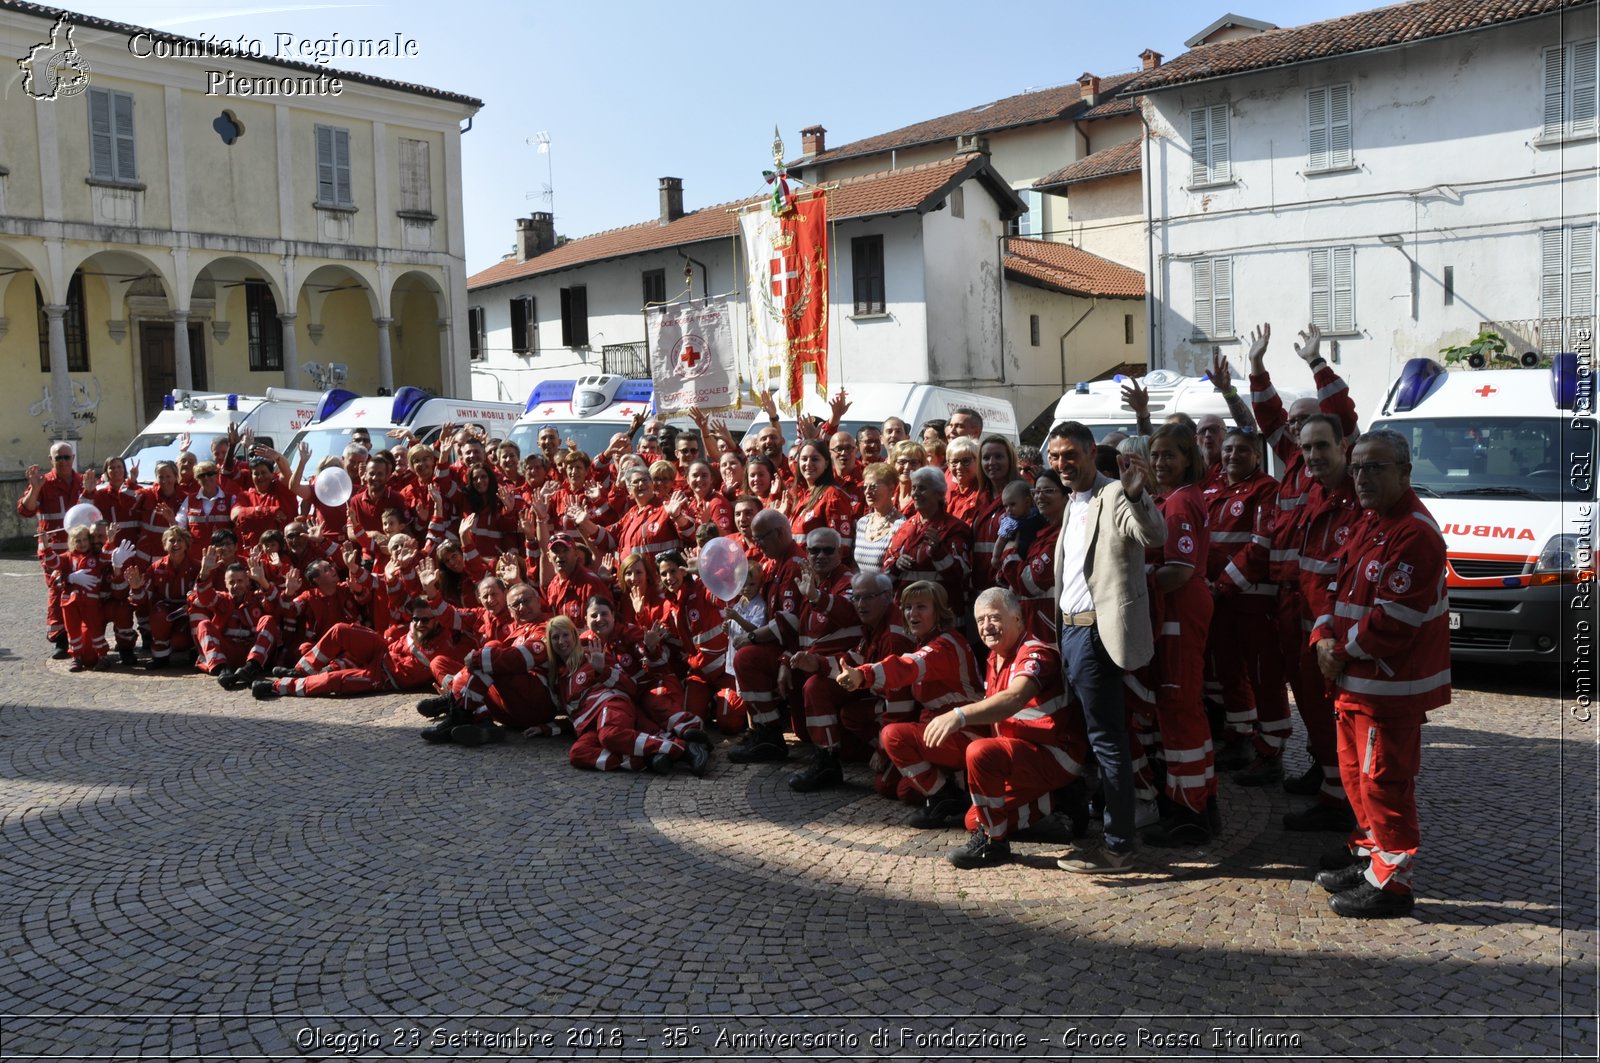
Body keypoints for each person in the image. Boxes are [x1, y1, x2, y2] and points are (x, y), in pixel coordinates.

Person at [1307, 429, 1449, 918]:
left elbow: (1396, 619)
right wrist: (1323, 637)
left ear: (1405, 473)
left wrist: (1338, 652)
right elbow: (1331, 583)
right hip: (1353, 684)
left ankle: (1393, 885)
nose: (1363, 477)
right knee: (1356, 779)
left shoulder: (1415, 533)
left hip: (1388, 689)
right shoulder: (1372, 522)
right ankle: (1371, 862)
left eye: (1376, 467)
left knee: (1384, 782)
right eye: (1359, 467)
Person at [1046, 421, 1166, 875]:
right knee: (1099, 740)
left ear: (1091, 452)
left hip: (1098, 634)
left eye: (1070, 455)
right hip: (1072, 633)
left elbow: (1153, 536)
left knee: (1108, 741)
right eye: (1055, 457)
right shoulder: (1073, 501)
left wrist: (1136, 495)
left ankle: (1118, 846)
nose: (1061, 464)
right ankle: (1107, 831)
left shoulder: (1115, 493)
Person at [936, 587, 1089, 869]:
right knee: (973, 819)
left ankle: (994, 845)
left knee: (980, 752)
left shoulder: (1035, 653)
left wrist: (959, 715)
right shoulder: (995, 657)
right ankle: (1060, 800)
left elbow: (1014, 698)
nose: (986, 627)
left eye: (994, 617)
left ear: (1018, 620)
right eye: (980, 620)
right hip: (1024, 756)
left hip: (1054, 754)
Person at [1134, 424, 1218, 846]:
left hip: (1179, 611)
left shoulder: (1181, 502)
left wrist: (1135, 580)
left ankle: (1188, 813)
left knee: (1179, 706)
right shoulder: (1174, 498)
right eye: (1156, 455)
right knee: (1185, 707)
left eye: (1170, 455)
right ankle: (1200, 797)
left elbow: (1179, 570)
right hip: (1178, 610)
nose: (1160, 463)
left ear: (1188, 459)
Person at [845, 580, 984, 828]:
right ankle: (955, 785)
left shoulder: (945, 645)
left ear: (939, 612)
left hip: (965, 733)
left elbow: (906, 667)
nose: (912, 614)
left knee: (893, 736)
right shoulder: (928, 641)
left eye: (921, 607)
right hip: (942, 730)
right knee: (900, 789)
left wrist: (862, 675)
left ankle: (945, 796)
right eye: (908, 608)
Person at [727, 508, 805, 763]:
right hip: (785, 650)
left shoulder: (793, 565)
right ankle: (764, 731)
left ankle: (770, 733)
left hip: (796, 650)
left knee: (747, 657)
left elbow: (789, 623)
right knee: (745, 657)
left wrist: (751, 638)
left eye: (761, 538)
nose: (757, 544)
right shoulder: (776, 564)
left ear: (781, 533)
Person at [880, 466, 973, 618]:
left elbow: (962, 575)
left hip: (942, 615)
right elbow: (885, 574)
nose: (915, 493)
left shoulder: (954, 528)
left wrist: (939, 553)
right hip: (906, 616)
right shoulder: (905, 527)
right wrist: (896, 565)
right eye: (914, 487)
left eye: (922, 488)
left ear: (938, 494)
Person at [852, 463, 905, 577]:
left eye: (873, 486)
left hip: (885, 591)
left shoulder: (900, 525)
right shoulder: (862, 523)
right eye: (864, 487)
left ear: (891, 488)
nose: (867, 492)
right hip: (862, 591)